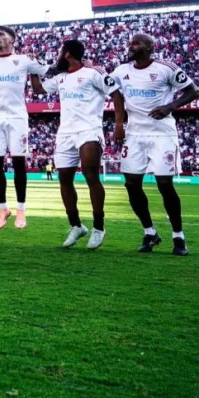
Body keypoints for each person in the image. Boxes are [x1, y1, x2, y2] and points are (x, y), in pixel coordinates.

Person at [110, 33, 199, 256]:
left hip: (162, 134)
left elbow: (193, 91)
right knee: (131, 184)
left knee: (164, 184)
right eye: (130, 43)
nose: (132, 46)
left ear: (150, 47)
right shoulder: (121, 71)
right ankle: (150, 232)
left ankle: (178, 236)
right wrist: (119, 124)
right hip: (134, 134)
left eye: (137, 43)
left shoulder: (165, 68)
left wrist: (170, 106)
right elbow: (114, 93)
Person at [31, 40, 125, 250]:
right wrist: (32, 68)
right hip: (65, 133)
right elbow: (38, 89)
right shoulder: (61, 77)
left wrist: (119, 124)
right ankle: (76, 226)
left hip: (89, 130)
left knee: (91, 176)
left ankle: (98, 227)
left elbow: (116, 94)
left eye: (60, 52)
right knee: (64, 180)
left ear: (67, 54)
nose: (58, 55)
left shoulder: (93, 73)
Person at [0, 26, 49, 229]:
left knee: (19, 162)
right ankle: (3, 208)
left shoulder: (24, 60)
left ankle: (21, 210)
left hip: (17, 117)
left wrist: (83, 66)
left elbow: (49, 69)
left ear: (12, 40)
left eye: (1, 35)